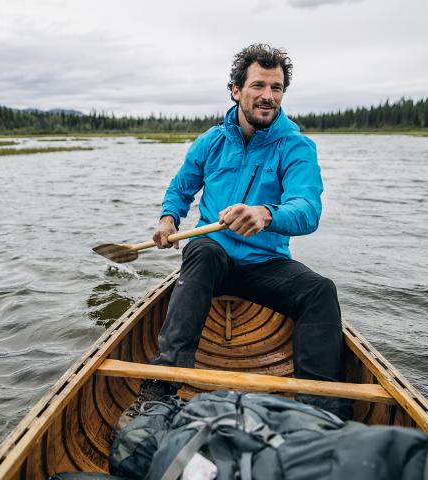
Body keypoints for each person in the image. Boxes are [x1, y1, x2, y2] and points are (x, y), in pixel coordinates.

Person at [116, 43, 351, 430]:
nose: (268, 97)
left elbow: (307, 209)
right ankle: (161, 389)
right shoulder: (211, 141)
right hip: (213, 261)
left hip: (266, 264)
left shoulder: (296, 146)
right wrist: (168, 220)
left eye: (276, 88)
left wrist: (266, 213)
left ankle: (322, 416)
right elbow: (181, 187)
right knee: (202, 250)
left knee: (320, 291)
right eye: (259, 86)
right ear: (235, 90)